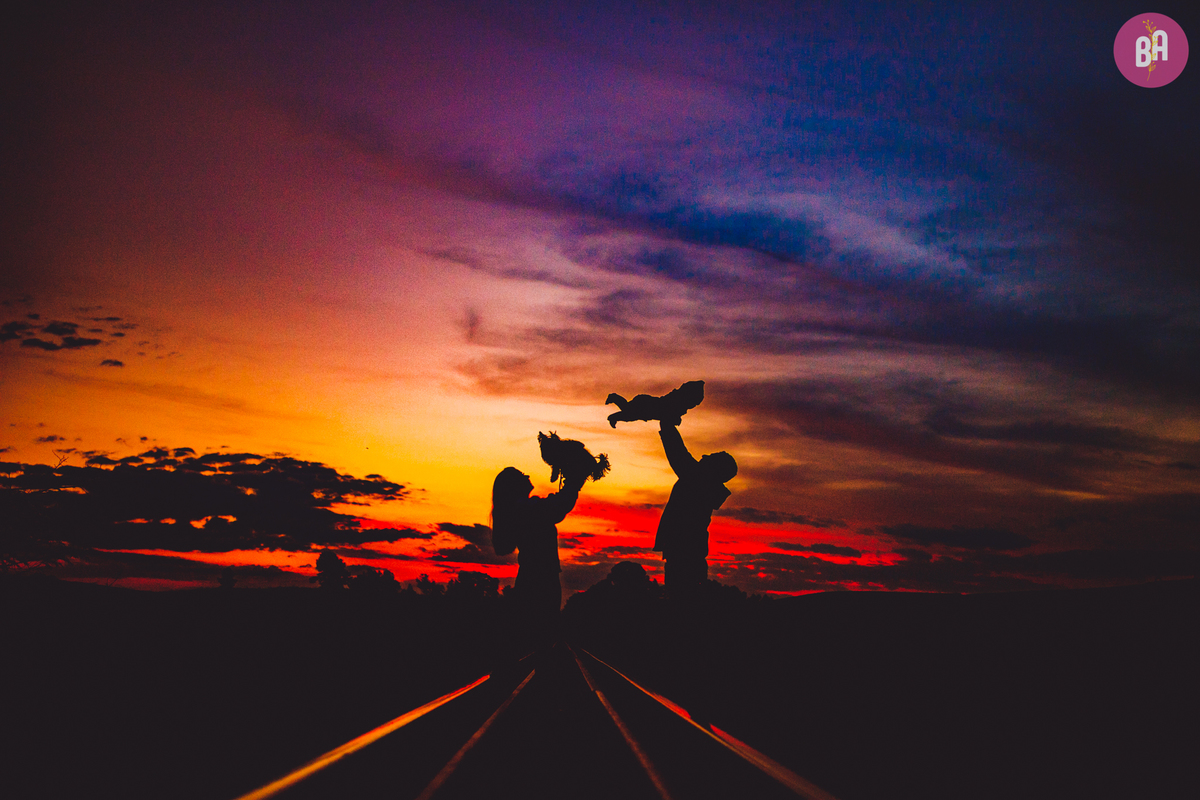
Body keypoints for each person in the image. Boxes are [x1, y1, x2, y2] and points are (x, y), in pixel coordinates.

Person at [491, 465, 587, 645]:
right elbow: (559, 506)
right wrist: (574, 481)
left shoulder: (521, 509)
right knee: (544, 639)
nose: (527, 474)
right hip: (540, 580)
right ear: (515, 486)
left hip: (533, 577)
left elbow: (557, 505)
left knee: (533, 638)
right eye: (521, 475)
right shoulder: (525, 509)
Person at [653, 418, 737, 598]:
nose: (704, 456)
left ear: (715, 470)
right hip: (689, 555)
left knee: (681, 602)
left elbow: (678, 454)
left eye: (711, 457)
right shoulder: (702, 481)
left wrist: (666, 423)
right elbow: (681, 455)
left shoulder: (698, 480)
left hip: (684, 556)